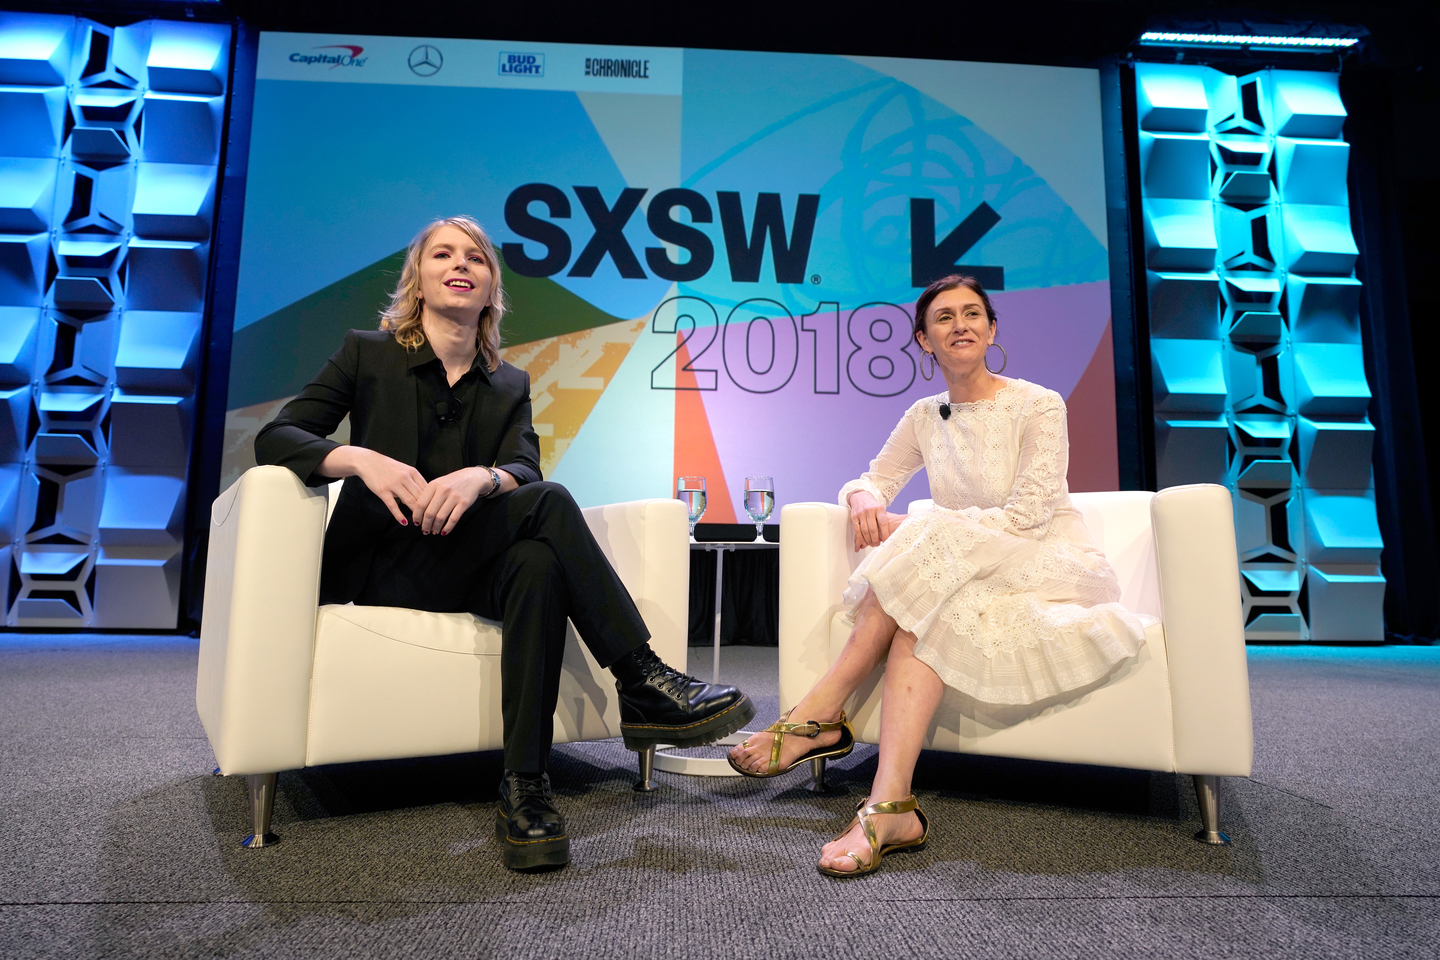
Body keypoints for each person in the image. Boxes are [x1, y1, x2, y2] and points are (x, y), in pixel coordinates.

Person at [256, 215, 754, 872]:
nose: (460, 264)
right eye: (443, 254)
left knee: (536, 560)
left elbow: (524, 467)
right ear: (419, 277)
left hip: (463, 564)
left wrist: (479, 478)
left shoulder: (509, 382)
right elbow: (278, 437)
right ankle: (640, 680)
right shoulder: (366, 353)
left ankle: (525, 787)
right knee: (544, 521)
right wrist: (358, 459)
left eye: (476, 258)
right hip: (384, 566)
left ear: (491, 288)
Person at [728, 274, 1145, 877]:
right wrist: (864, 499)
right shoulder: (926, 415)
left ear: (992, 329)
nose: (961, 325)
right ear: (924, 339)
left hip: (1050, 559)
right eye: (944, 318)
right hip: (965, 566)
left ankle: (817, 715)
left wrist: (919, 525)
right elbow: (873, 477)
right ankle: (890, 805)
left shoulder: (1039, 403)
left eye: (973, 314)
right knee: (924, 602)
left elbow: (1028, 516)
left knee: (926, 527)